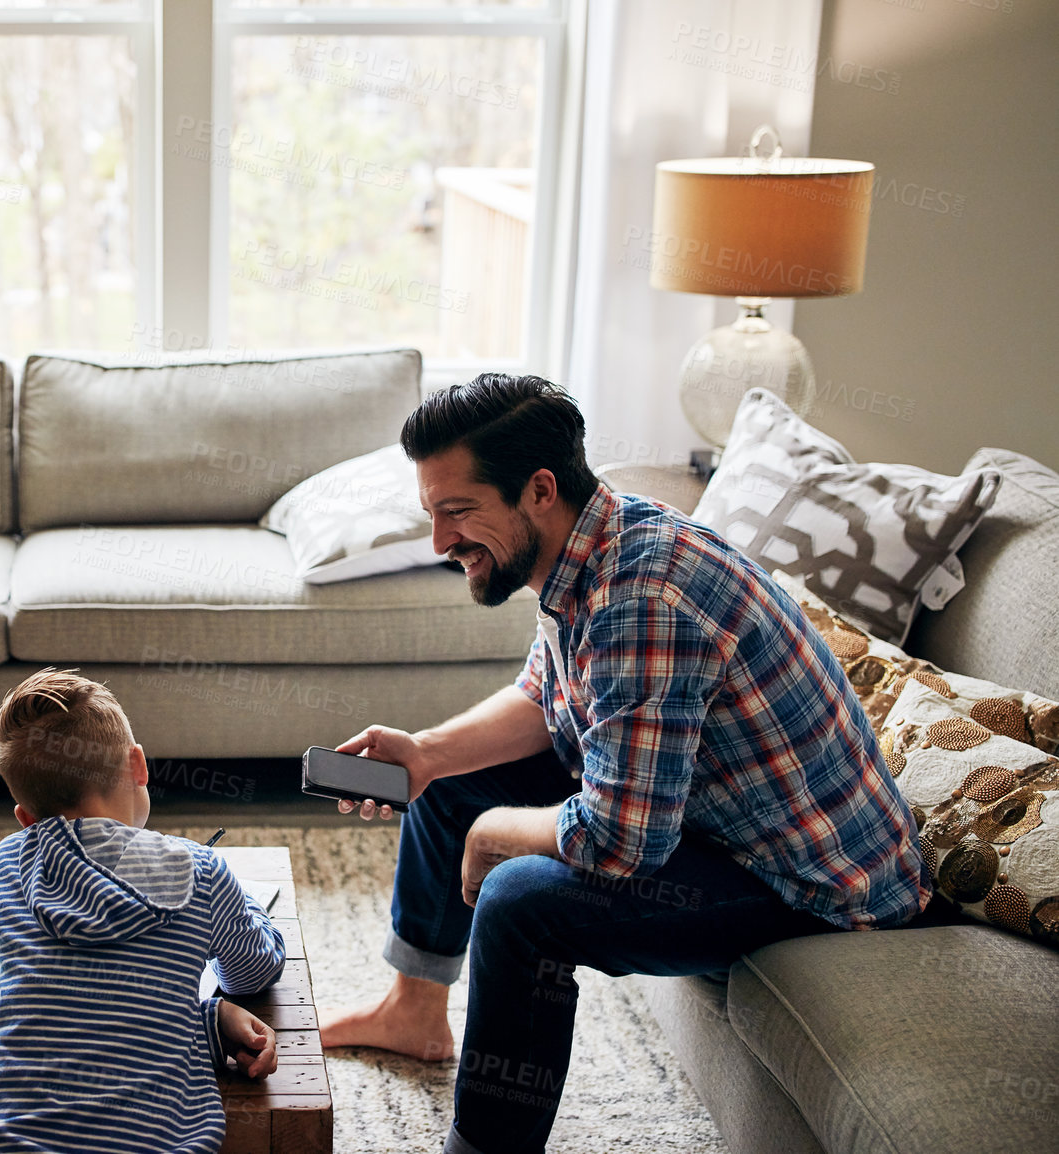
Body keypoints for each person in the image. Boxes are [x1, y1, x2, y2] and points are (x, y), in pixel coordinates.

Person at [319, 374, 928, 1154]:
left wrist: (493, 832)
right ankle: (413, 1011)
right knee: (444, 782)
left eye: (458, 511)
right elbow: (548, 695)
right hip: (703, 817)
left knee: (516, 899)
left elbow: (619, 840)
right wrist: (427, 754)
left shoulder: (646, 596)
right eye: (431, 513)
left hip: (806, 884)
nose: (440, 542)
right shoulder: (588, 544)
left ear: (539, 489)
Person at [0, 668, 287, 1154]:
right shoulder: (202, 872)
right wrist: (236, 898)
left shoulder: (7, 864)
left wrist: (208, 1021)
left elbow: (78, 1009)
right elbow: (252, 973)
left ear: (26, 820)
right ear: (138, 766)